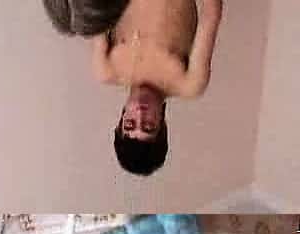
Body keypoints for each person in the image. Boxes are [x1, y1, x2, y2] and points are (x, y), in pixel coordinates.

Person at [43, 0, 223, 176]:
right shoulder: (189, 84)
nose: (140, 113)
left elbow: (96, 9)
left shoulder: (106, 70)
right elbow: (210, 13)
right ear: (162, 127)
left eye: (130, 124)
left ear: (121, 121)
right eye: (148, 125)